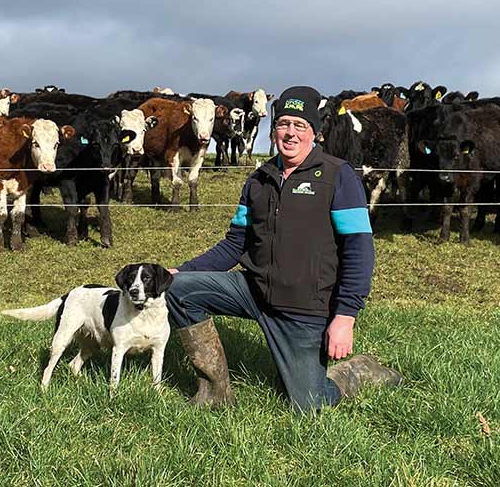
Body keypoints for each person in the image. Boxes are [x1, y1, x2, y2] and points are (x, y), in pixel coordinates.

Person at [166, 85, 402, 411]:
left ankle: (357, 371)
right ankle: (215, 392)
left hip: (304, 309)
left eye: (299, 125)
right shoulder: (258, 180)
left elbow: (359, 249)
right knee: (178, 289)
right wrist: (184, 271)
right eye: (283, 124)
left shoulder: (338, 176)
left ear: (315, 133)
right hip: (255, 290)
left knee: (308, 405)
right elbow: (236, 244)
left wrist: (345, 316)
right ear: (273, 129)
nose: (290, 133)